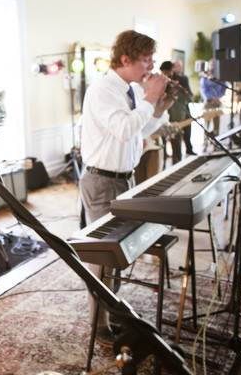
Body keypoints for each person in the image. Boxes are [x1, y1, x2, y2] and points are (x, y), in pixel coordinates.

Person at [78, 30, 171, 346]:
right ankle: (98, 326)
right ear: (125, 59)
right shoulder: (104, 90)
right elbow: (123, 129)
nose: (150, 66)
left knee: (117, 255)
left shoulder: (128, 90)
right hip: (102, 182)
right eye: (145, 59)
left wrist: (156, 106)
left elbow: (140, 128)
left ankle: (112, 311)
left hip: (122, 179)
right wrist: (148, 98)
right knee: (104, 257)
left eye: (152, 59)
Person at [160, 60, 192, 164]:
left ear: (171, 71)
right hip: (167, 114)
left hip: (180, 112)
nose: (164, 75)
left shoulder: (182, 79)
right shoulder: (162, 81)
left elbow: (188, 94)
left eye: (166, 72)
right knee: (164, 140)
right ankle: (164, 159)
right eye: (162, 73)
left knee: (178, 139)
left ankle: (178, 161)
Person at [200, 59, 226, 145]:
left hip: (217, 102)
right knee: (206, 125)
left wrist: (218, 97)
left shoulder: (220, 77)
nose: (213, 66)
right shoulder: (205, 77)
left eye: (214, 65)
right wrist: (211, 98)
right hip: (208, 103)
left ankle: (216, 144)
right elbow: (203, 90)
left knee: (216, 125)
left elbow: (224, 87)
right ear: (209, 66)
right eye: (211, 65)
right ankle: (205, 143)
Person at [172, 59, 195, 155]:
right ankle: (177, 156)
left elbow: (189, 93)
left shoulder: (184, 78)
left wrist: (190, 96)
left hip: (185, 107)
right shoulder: (172, 79)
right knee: (176, 134)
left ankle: (189, 149)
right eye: (177, 65)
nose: (180, 67)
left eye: (181, 65)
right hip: (176, 110)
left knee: (188, 130)